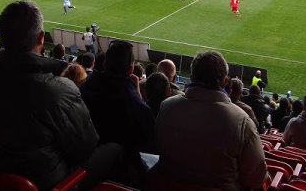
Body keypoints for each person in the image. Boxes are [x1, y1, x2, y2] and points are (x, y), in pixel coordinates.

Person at [0, 0, 117, 190]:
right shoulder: (57, 90)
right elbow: (85, 146)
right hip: (48, 184)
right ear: (41, 38)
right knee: (115, 150)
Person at [153, 51, 268, 190]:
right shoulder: (242, 121)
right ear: (225, 82)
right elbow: (256, 179)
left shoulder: (166, 107)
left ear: (191, 78)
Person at [80, 40, 155, 184]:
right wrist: (139, 98)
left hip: (85, 162)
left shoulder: (85, 87)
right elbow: (148, 137)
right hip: (118, 173)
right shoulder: (133, 103)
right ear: (131, 70)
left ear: (104, 64)